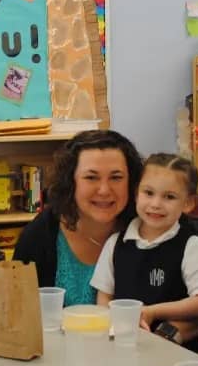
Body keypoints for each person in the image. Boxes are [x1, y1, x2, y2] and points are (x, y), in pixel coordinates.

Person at [91, 153, 198, 351]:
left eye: (169, 197)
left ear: (188, 203)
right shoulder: (116, 242)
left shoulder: (190, 245)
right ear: (136, 194)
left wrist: (152, 312)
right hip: (124, 343)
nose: (156, 204)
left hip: (175, 351)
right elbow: (104, 297)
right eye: (148, 193)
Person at [14, 130, 143, 306]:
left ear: (132, 182)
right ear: (70, 182)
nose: (104, 190)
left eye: (116, 177)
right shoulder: (39, 236)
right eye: (91, 177)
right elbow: (18, 311)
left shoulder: (155, 226)